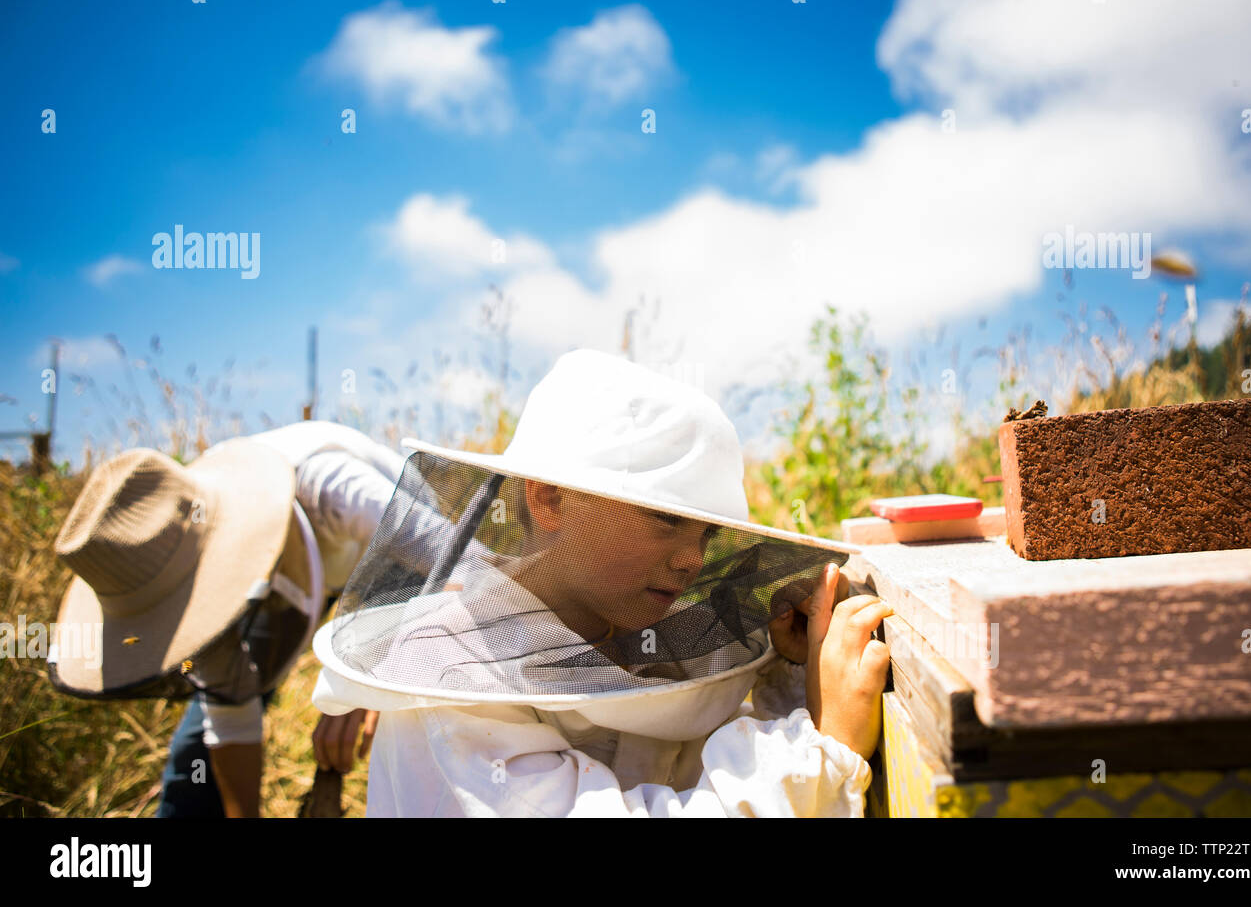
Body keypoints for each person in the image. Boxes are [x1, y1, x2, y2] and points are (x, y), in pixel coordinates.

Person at [312, 349, 892, 817]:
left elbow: (703, 768)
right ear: (550, 500)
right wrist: (826, 753)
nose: (693, 559)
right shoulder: (452, 676)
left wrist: (794, 677)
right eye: (666, 520)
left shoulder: (640, 641)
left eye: (708, 536)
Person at [49, 420, 411, 817]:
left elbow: (465, 570)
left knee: (417, 731)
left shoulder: (335, 487)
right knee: (195, 759)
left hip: (411, 572)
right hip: (303, 577)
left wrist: (368, 676)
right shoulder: (174, 580)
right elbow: (229, 722)